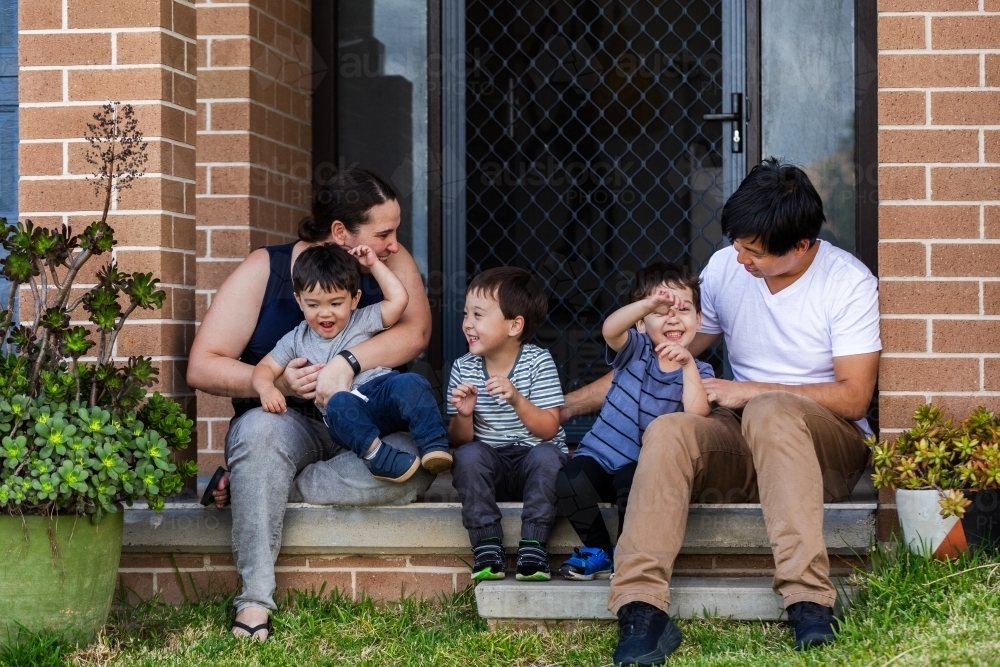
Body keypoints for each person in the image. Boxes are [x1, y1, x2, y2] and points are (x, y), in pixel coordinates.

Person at [561, 159, 879, 665]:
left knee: (771, 410)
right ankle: (640, 606)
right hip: (745, 440)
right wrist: (568, 406)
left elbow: (854, 397)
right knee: (670, 429)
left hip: (825, 449)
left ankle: (808, 600)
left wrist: (748, 390)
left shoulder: (847, 282)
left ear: (799, 246)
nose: (739, 257)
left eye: (753, 250)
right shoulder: (728, 267)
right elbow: (662, 354)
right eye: (737, 242)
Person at [186, 167, 433, 641]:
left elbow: (416, 333)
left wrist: (347, 361)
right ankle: (255, 601)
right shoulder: (268, 269)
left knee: (415, 462)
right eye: (384, 233)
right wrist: (279, 382)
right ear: (341, 233)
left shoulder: (390, 266)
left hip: (364, 429)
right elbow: (202, 365)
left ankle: (264, 486)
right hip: (286, 424)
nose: (394, 244)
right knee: (259, 435)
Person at [555, 262, 713, 581]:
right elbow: (610, 329)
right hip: (599, 456)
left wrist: (688, 366)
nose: (672, 316)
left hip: (641, 465)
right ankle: (599, 551)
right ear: (641, 323)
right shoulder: (635, 350)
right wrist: (647, 304)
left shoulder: (700, 372)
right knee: (567, 482)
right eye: (660, 310)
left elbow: (698, 415)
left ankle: (629, 554)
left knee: (637, 491)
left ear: (699, 319)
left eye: (683, 309)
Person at [252, 242, 451, 482]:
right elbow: (264, 368)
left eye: (336, 303)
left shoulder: (363, 319)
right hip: (348, 415)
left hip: (382, 395)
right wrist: (267, 388)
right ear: (299, 300)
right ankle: (379, 458)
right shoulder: (295, 339)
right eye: (314, 304)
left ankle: (434, 446)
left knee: (412, 382)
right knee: (337, 404)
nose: (325, 313)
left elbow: (398, 300)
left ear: (355, 299)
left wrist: (374, 264)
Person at [448, 267, 568, 582]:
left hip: (533, 461)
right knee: (467, 457)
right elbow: (461, 441)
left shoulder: (538, 362)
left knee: (549, 456)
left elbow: (549, 429)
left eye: (478, 315)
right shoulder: (463, 367)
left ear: (514, 325)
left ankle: (533, 545)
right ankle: (487, 544)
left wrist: (517, 399)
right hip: (493, 464)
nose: (468, 324)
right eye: (466, 314)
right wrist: (464, 414)